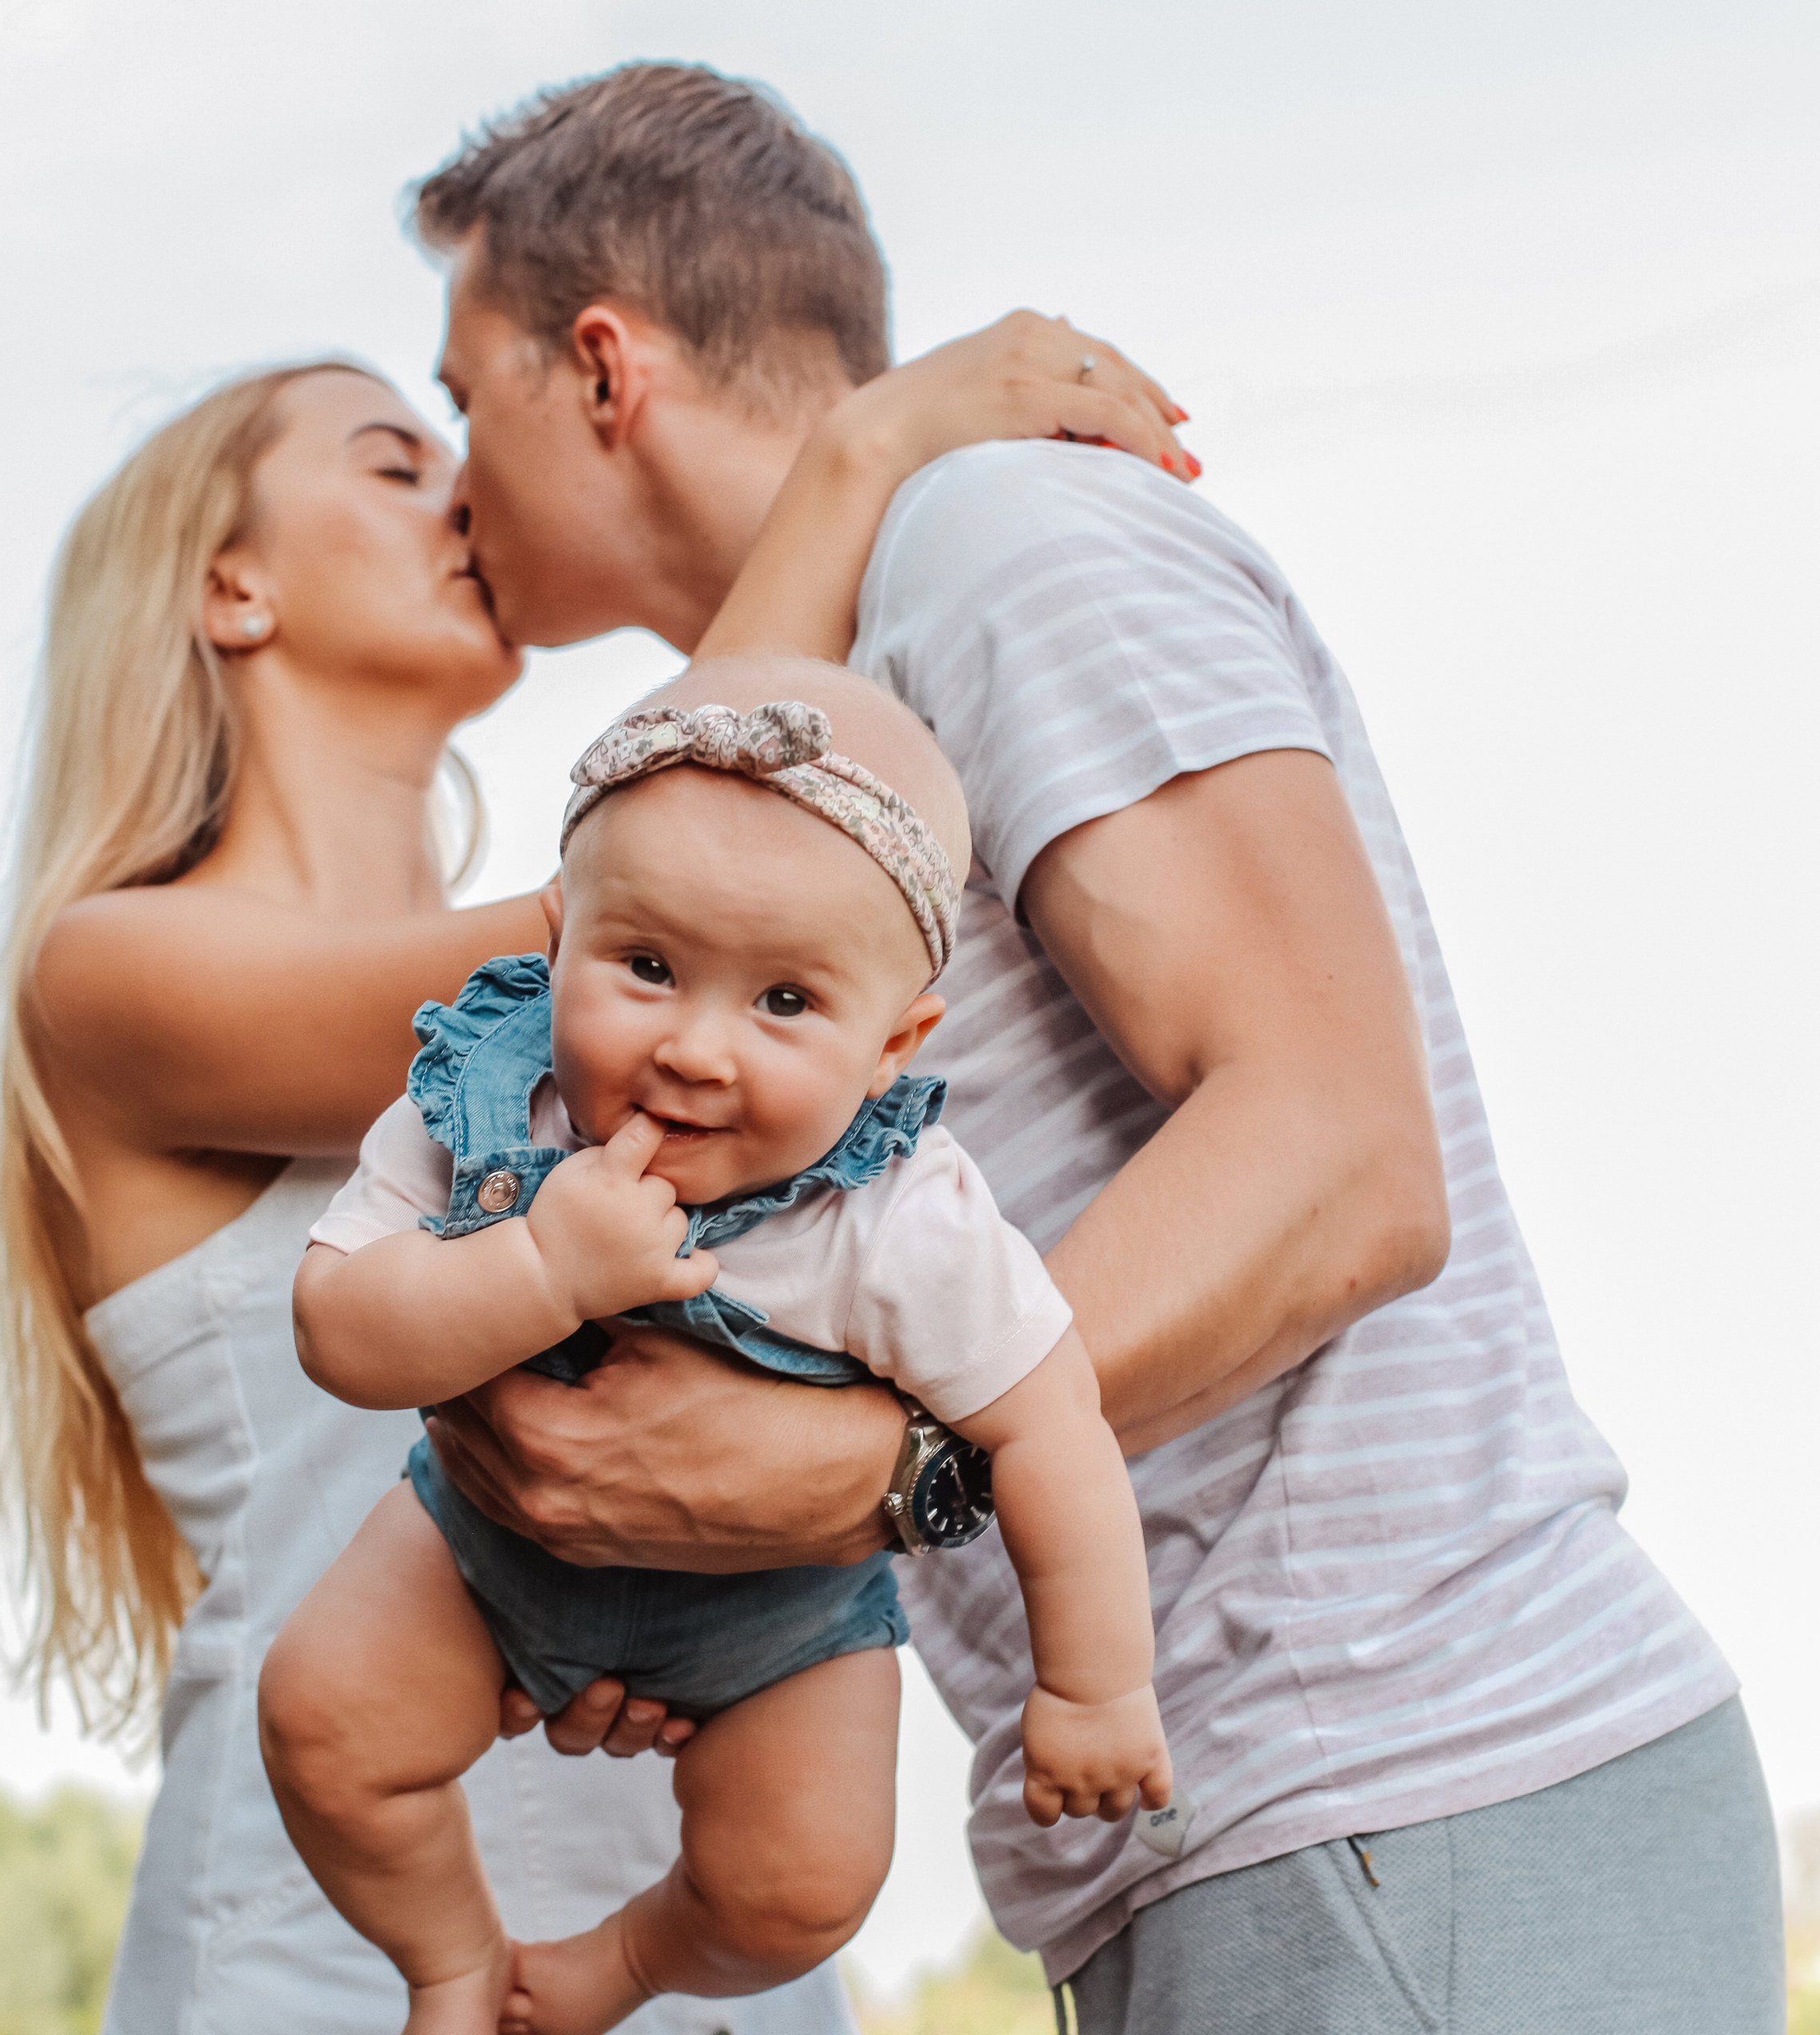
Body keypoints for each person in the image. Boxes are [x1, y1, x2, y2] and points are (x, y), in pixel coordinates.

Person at [406, 62, 1787, 2033]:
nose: (453, 477)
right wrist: (670, 1557)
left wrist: (842, 1474)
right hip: (1260, 1840)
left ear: (601, 368)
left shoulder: (989, 543)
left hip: (1401, 1783)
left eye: (464, 400)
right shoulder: (773, 802)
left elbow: (1337, 1159)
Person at [0, 321, 1191, 2025]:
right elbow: (717, 865)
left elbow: (727, 876)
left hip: (707, 1891)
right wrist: (858, 448)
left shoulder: (661, 957)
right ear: (230, 585)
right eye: (395, 462)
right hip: (328, 1943)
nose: (459, 489)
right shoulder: (116, 972)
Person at [263, 662, 1174, 2034]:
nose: (696, 1049)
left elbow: (1051, 1426)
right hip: (485, 1554)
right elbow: (337, 1327)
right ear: (560, 935)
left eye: (787, 1004)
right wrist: (537, 1265)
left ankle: (612, 1969)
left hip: (782, 1620)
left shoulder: (900, 1216)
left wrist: (1096, 1682)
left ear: (895, 1044)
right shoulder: (486, 1099)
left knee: (803, 1883)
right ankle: (452, 1961)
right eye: (647, 968)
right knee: (325, 1727)